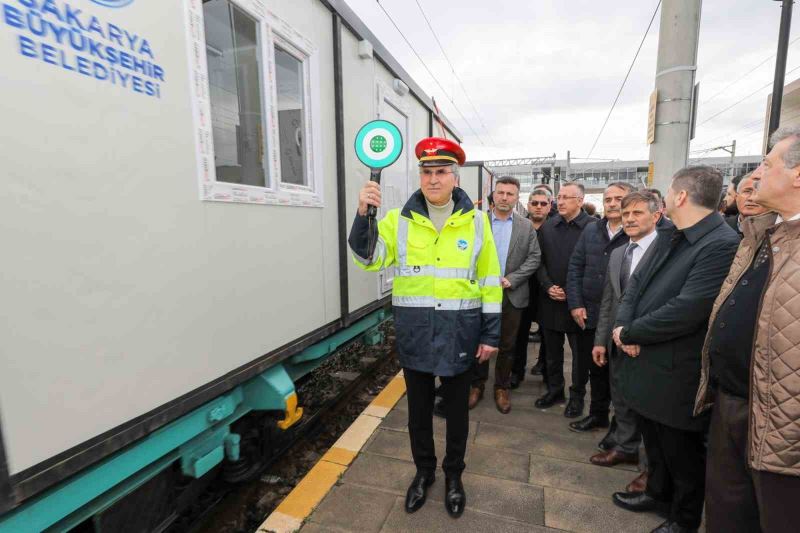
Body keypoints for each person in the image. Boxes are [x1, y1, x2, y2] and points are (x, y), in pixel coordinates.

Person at [349, 137, 502, 518]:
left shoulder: (478, 222)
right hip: (416, 332)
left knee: (456, 414)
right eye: (427, 172)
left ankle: (454, 476)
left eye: (441, 172)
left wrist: (490, 335)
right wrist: (362, 214)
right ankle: (424, 474)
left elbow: (489, 280)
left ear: (454, 177)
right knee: (417, 413)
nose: (433, 179)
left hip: (460, 334)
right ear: (421, 176)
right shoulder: (396, 219)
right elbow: (368, 258)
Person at [610, 166, 739, 533]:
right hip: (646, 362)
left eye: (669, 191)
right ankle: (656, 491)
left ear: (680, 196)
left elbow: (688, 309)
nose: (666, 196)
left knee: (681, 451)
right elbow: (635, 287)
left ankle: (683, 519)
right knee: (656, 440)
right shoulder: (671, 235)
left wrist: (632, 332)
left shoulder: (720, 243)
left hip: (676, 370)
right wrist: (623, 329)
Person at [695, 126, 800, 533]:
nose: (756, 174)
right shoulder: (764, 235)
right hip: (734, 401)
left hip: (784, 430)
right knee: (726, 513)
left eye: (768, 163)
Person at [590, 192, 666, 478]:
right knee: (620, 398)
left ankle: (651, 470)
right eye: (626, 215)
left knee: (650, 409)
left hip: (650, 345)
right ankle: (625, 447)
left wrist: (639, 335)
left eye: (638, 213)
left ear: (656, 215)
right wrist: (601, 340)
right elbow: (609, 301)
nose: (630, 219)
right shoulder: (619, 253)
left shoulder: (666, 250)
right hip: (617, 344)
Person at [565, 182, 634, 428]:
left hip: (622, 317)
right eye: (608, 199)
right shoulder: (592, 230)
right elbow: (575, 267)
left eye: (619, 198)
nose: (613, 203)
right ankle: (597, 414)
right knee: (595, 367)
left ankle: (622, 426)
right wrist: (575, 304)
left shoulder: (637, 233)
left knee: (620, 374)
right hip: (589, 313)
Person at [471, 176, 541, 412]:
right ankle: (477, 384)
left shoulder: (525, 226)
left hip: (512, 293)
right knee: (477, 340)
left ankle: (501, 387)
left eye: (510, 194)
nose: (504, 197)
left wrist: (512, 279)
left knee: (507, 344)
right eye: (500, 192)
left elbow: (534, 257)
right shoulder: (477, 222)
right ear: (494, 194)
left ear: (516, 197)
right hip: (480, 294)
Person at [533, 182, 593, 414]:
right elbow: (539, 261)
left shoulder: (593, 228)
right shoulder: (548, 228)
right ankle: (555, 389)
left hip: (578, 303)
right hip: (550, 300)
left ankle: (577, 396)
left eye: (568, 197)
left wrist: (572, 291)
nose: (562, 201)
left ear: (580, 201)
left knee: (579, 356)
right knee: (552, 353)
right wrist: (548, 286)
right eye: (559, 196)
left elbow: (593, 265)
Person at [513, 188, 552, 385]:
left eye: (543, 203)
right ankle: (517, 370)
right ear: (527, 205)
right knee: (519, 332)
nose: (538, 207)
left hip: (547, 291)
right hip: (522, 287)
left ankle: (545, 365)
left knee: (548, 332)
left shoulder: (555, 228)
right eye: (534, 203)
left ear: (549, 206)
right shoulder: (519, 226)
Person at [725, 172, 768, 236]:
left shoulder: (779, 230)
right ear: (736, 197)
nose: (752, 198)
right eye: (747, 191)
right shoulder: (720, 226)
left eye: (759, 192)